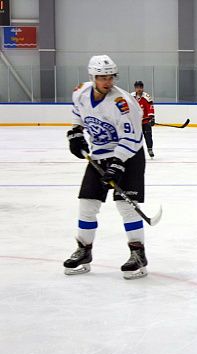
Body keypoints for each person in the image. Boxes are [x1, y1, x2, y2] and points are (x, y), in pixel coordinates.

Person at [63, 55, 149, 280]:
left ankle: (138, 254)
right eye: (102, 77)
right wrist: (76, 132)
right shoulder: (80, 92)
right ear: (93, 77)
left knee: (126, 206)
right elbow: (77, 113)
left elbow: (132, 136)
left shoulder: (123, 102)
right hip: (99, 155)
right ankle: (84, 251)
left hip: (129, 156)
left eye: (110, 77)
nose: (107, 81)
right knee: (87, 204)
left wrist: (119, 162)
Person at [132, 81, 156, 158]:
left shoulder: (146, 97)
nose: (139, 89)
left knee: (148, 135)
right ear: (135, 88)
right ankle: (135, 151)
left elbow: (150, 108)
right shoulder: (131, 97)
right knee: (135, 137)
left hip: (145, 121)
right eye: (137, 87)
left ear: (142, 88)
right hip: (135, 122)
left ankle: (150, 149)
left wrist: (151, 118)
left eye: (140, 87)